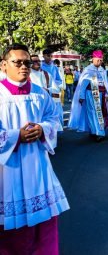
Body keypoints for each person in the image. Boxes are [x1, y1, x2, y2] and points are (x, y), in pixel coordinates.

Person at [0, 43, 69, 254]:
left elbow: (53, 117)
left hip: (38, 164)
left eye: (27, 62)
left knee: (45, 223)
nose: (24, 66)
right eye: (17, 62)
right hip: (8, 168)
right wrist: (15, 136)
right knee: (13, 230)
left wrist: (42, 128)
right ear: (3, 65)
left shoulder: (40, 93)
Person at [68, 50, 108, 142]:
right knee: (93, 113)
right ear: (93, 59)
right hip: (91, 94)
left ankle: (95, 131)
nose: (99, 62)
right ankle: (98, 132)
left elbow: (106, 84)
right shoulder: (88, 70)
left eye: (101, 60)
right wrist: (81, 96)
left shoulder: (102, 70)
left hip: (101, 94)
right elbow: (83, 84)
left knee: (100, 112)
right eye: (98, 60)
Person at [42, 51, 64, 129]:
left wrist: (54, 86)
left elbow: (59, 79)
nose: (50, 57)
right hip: (43, 91)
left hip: (54, 91)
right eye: (48, 55)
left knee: (57, 111)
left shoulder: (54, 67)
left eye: (51, 56)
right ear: (43, 56)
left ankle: (57, 129)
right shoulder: (40, 66)